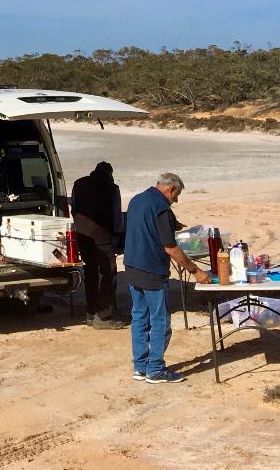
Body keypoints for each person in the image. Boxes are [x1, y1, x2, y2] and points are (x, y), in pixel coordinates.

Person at [124, 172, 209, 383]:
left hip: (132, 266)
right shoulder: (161, 207)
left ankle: (140, 366)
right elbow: (170, 248)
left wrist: (172, 224)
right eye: (176, 195)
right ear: (171, 189)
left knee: (139, 318)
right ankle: (155, 369)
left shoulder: (137, 199)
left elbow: (147, 224)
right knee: (160, 321)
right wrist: (195, 271)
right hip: (152, 270)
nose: (176, 200)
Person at [71, 161, 123, 326]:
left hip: (82, 236)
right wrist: (116, 235)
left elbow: (74, 207)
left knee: (90, 273)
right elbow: (117, 217)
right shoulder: (112, 188)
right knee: (107, 274)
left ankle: (91, 311)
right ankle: (103, 316)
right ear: (109, 174)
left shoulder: (78, 183)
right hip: (102, 237)